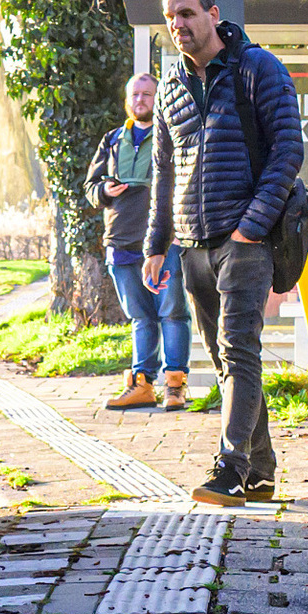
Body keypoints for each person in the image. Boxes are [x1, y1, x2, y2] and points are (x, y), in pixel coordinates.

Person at [145, 0, 306, 507]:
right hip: (194, 243)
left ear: (213, 13)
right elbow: (163, 171)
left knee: (239, 351)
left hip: (245, 240)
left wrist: (251, 226)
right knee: (222, 358)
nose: (178, 25)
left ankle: (231, 468)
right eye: (172, 17)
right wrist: (156, 243)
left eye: (187, 13)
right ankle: (261, 471)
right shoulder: (169, 88)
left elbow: (287, 150)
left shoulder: (257, 69)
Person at [81, 72, 188, 411]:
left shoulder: (171, 137)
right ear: (127, 101)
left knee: (172, 312)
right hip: (121, 241)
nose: (140, 100)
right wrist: (102, 191)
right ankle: (142, 384)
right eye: (135, 95)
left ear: (158, 100)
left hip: (164, 242)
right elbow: (90, 187)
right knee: (140, 317)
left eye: (147, 94)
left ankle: (175, 387)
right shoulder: (112, 140)